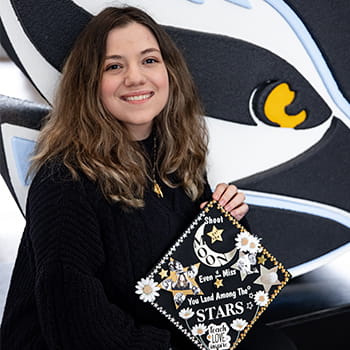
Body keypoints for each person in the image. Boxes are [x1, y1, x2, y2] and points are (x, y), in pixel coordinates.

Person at [0, 6, 295, 350]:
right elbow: (74, 328)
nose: (136, 77)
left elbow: (199, 292)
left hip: (157, 329)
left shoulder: (177, 158)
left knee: (274, 344)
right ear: (89, 83)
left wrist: (224, 226)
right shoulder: (64, 180)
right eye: (114, 66)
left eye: (149, 60)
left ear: (169, 72)